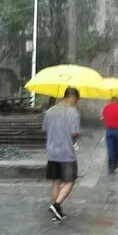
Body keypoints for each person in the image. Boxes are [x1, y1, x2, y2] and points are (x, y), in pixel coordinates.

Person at [43, 86, 81, 221]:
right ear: (72, 97)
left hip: (52, 151)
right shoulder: (73, 112)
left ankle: (56, 212)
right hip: (66, 152)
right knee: (70, 181)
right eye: (76, 100)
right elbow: (74, 133)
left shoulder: (50, 111)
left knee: (56, 182)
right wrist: (74, 140)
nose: (76, 103)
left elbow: (46, 129)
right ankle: (57, 205)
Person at [101, 96, 118, 173]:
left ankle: (110, 165)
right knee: (117, 148)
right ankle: (115, 165)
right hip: (117, 131)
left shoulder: (106, 108)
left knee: (110, 149)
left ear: (111, 101)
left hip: (108, 131)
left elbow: (102, 118)